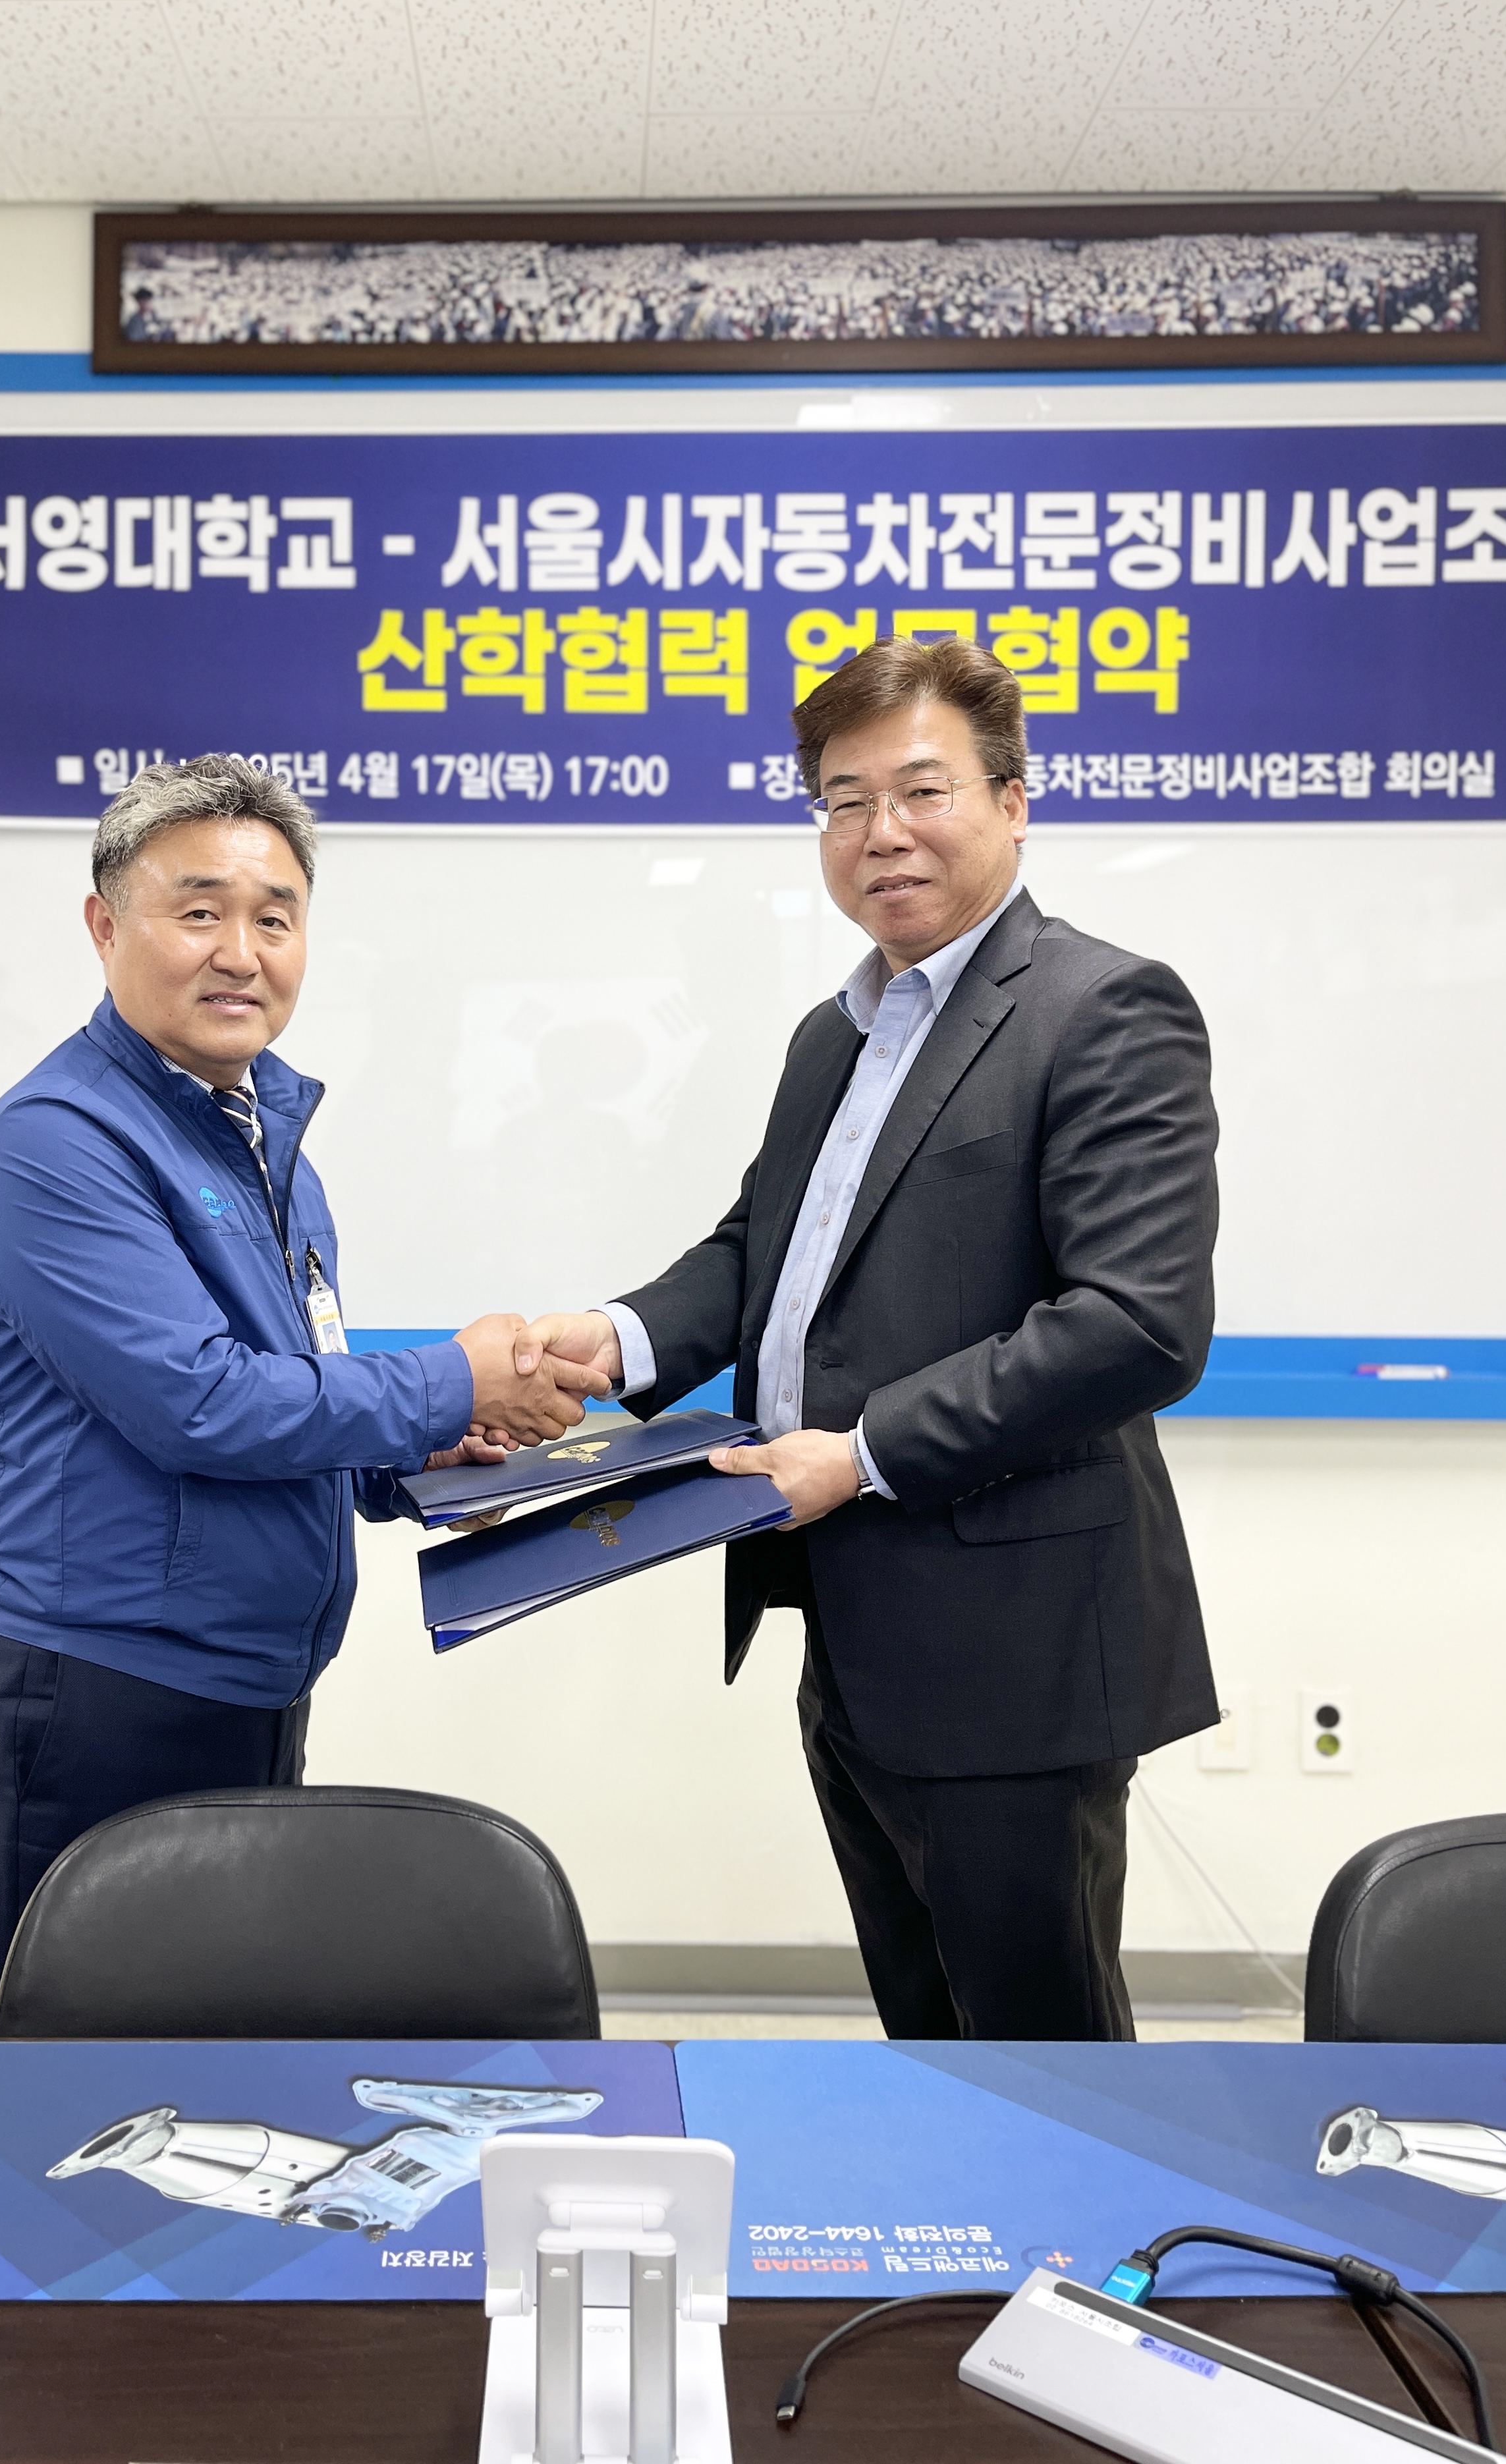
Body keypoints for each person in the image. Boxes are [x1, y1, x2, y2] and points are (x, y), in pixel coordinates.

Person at [518, 636, 1219, 2041]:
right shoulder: (832, 1034)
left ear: (1012, 802)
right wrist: (611, 1339)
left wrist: (860, 1454)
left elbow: (1137, 1324)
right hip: (853, 1631)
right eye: (844, 801)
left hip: (1017, 1649)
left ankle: (1066, 2208)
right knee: (925, 2038)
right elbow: (763, 1255)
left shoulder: (1103, 1009)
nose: (880, 832)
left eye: (920, 790)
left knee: (1043, 2058)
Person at [0, 753, 604, 2011]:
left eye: (275, 918)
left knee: (224, 2036)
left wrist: (417, 1458)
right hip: (100, 1689)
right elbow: (198, 1405)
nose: (240, 953)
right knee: (82, 2064)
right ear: (104, 927)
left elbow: (293, 1385)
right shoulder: (53, 1146)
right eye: (199, 912)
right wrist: (451, 1382)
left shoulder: (259, 1137)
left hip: (250, 1677)